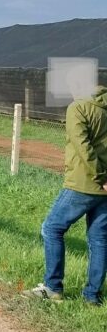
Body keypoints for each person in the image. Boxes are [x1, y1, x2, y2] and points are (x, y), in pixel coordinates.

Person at [24, 85, 107, 306]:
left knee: (51, 228)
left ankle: (53, 287)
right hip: (104, 188)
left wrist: (100, 176)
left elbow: (83, 147)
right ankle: (92, 296)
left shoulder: (77, 108)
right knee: (99, 239)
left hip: (84, 182)